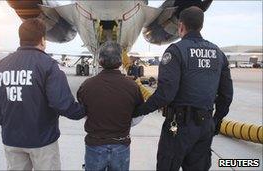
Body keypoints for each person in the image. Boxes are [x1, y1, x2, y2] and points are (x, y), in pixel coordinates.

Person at [134, 6, 233, 171]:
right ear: (201, 26)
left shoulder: (176, 51)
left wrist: (138, 110)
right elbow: (226, 95)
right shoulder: (218, 53)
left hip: (178, 128)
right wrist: (215, 121)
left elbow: (166, 94)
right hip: (205, 126)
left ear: (180, 26)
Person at [0, 18, 85, 170]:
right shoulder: (48, 65)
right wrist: (83, 111)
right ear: (42, 39)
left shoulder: (3, 65)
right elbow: (61, 103)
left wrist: (7, 124)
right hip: (42, 141)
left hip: (12, 139)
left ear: (21, 39)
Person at [77, 41, 144, 171]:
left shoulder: (87, 85)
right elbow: (138, 114)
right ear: (120, 62)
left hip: (95, 144)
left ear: (100, 61)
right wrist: (125, 124)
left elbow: (83, 112)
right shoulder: (132, 86)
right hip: (121, 145)